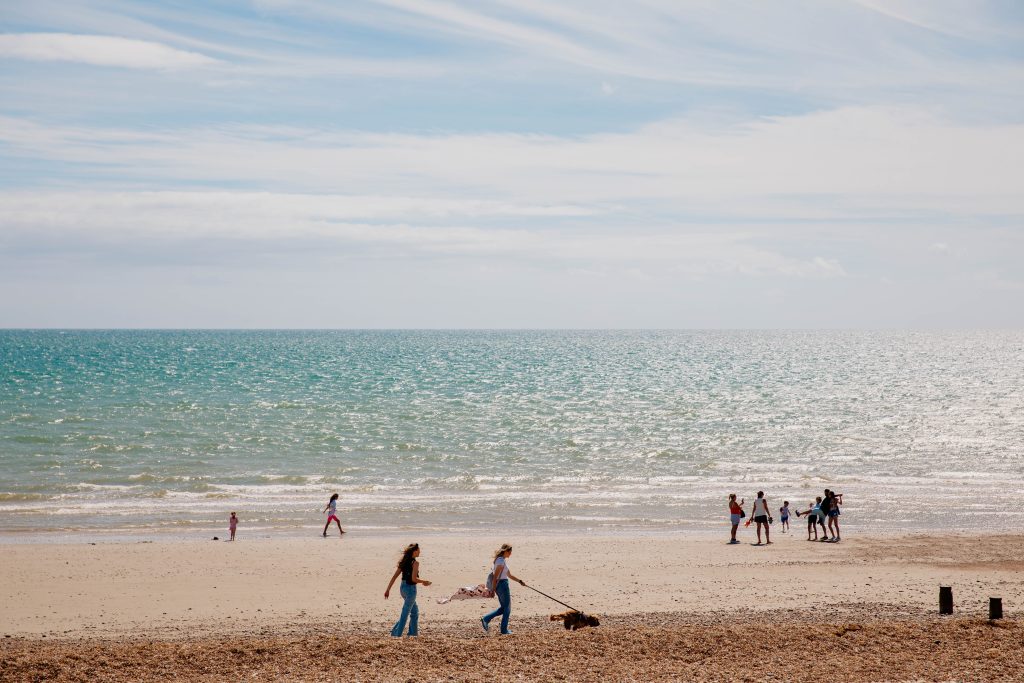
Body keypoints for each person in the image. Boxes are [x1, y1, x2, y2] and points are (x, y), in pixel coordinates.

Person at [384, 543, 431, 637]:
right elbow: (414, 579)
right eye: (419, 550)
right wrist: (424, 581)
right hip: (410, 590)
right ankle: (397, 635)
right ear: (414, 551)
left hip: (402, 589)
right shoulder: (415, 563)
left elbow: (394, 577)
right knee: (404, 614)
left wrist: (388, 589)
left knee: (414, 612)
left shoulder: (404, 562)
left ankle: (413, 634)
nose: (420, 551)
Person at [482, 544, 526, 635]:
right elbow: (495, 577)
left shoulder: (501, 561)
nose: (511, 554)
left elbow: (509, 575)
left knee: (504, 608)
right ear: (505, 551)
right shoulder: (501, 561)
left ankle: (486, 619)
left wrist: (520, 581)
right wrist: (493, 590)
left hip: (502, 584)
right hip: (502, 585)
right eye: (510, 552)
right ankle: (503, 630)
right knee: (507, 609)